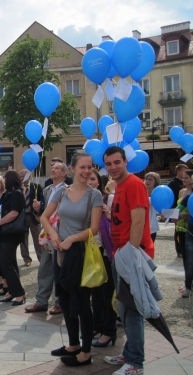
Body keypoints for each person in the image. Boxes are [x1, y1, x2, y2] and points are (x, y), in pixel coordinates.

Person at [41, 151, 102, 367]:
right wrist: (55, 235)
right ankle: (73, 344)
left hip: (80, 254)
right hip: (61, 253)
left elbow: (94, 229)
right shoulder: (61, 193)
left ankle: (86, 352)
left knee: (83, 303)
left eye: (90, 167)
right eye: (83, 167)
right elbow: (44, 217)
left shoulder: (94, 195)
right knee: (65, 300)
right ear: (73, 169)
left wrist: (72, 239)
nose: (87, 171)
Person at [103, 146, 154, 375]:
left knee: (132, 311)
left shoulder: (134, 184)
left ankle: (136, 363)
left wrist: (131, 256)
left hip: (131, 256)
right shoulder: (120, 187)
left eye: (117, 162)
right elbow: (120, 220)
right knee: (123, 309)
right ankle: (129, 351)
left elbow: (138, 223)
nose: (113, 167)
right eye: (109, 164)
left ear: (125, 161)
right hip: (119, 254)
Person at [25, 162, 68, 315]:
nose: (52, 170)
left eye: (56, 168)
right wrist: (38, 209)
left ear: (64, 173)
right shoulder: (47, 190)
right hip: (47, 234)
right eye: (52, 167)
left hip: (60, 233)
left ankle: (60, 302)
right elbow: (45, 213)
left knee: (59, 270)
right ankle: (41, 301)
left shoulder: (67, 189)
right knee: (44, 268)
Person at [87, 169, 117, 349]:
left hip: (105, 250)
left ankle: (109, 330)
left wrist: (108, 215)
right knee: (94, 291)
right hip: (89, 249)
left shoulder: (109, 199)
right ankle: (97, 325)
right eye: (86, 179)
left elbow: (117, 223)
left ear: (99, 181)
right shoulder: (81, 200)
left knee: (107, 291)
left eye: (93, 179)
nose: (89, 182)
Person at [0, 170, 27, 306]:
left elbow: (13, 213)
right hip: (6, 232)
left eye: (5, 178)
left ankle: (20, 293)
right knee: (11, 263)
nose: (4, 180)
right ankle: (12, 291)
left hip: (12, 233)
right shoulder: (10, 194)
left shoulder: (16, 193)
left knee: (5, 262)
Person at [18, 169, 44, 267]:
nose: (22, 178)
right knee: (23, 239)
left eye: (24, 176)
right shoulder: (18, 188)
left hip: (33, 216)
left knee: (38, 238)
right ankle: (26, 259)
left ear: (29, 176)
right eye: (20, 177)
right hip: (22, 217)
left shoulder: (36, 187)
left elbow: (42, 201)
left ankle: (41, 258)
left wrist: (38, 210)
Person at [175, 170, 193, 294]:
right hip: (190, 230)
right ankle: (188, 287)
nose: (184, 180)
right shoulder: (187, 197)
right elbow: (177, 209)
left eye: (187, 177)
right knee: (189, 259)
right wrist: (168, 214)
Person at [170, 164, 188, 258]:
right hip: (179, 215)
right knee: (178, 233)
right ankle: (180, 250)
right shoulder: (174, 183)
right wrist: (173, 213)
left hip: (188, 218)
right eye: (183, 177)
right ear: (178, 171)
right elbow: (176, 202)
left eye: (186, 177)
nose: (184, 179)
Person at [145, 172, 160, 243]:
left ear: (155, 182)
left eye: (150, 179)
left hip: (151, 226)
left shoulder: (158, 194)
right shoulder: (141, 192)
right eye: (146, 179)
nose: (147, 181)